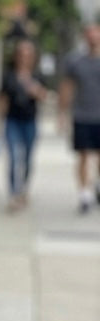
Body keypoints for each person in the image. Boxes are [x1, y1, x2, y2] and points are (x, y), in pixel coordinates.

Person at [0, 38, 47, 211]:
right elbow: (2, 99)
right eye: (21, 54)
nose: (24, 57)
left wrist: (34, 89)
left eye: (28, 54)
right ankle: (13, 194)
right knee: (13, 157)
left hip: (30, 121)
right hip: (12, 120)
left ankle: (23, 188)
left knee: (27, 158)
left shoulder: (37, 75)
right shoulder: (9, 75)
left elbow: (44, 96)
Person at [59, 22, 100, 213]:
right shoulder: (75, 61)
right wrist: (62, 113)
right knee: (83, 154)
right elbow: (67, 87)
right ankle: (84, 193)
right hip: (82, 114)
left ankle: (96, 185)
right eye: (89, 34)